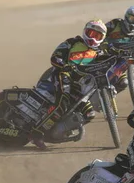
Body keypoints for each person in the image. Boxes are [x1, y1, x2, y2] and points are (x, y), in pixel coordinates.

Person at [30, 19, 108, 150]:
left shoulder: (100, 53)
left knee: (89, 113)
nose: (93, 38)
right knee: (63, 103)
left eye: (98, 36)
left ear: (103, 38)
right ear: (85, 31)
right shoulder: (71, 43)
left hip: (81, 86)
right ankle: (36, 134)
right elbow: (54, 58)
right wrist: (65, 66)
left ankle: (56, 132)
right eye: (91, 33)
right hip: (63, 75)